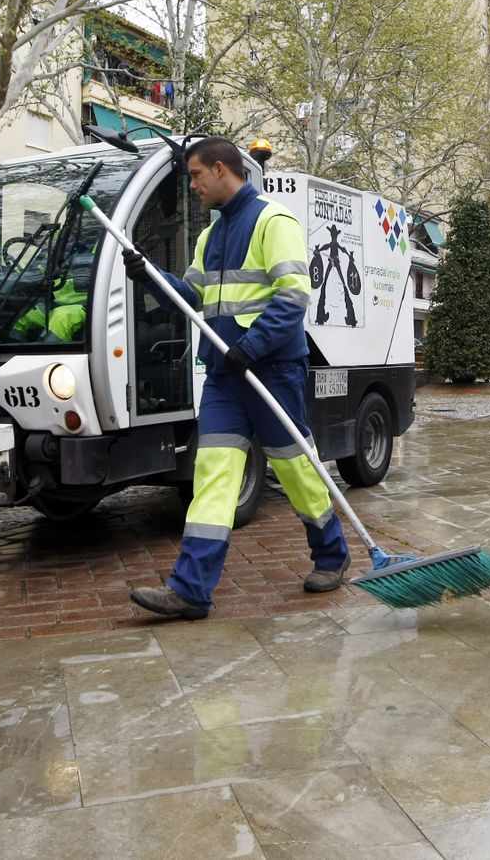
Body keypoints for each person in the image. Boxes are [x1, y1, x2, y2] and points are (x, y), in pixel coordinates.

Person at [123, 136, 349, 620]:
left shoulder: (274, 221)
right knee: (213, 479)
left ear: (221, 169)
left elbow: (292, 298)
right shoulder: (211, 236)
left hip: (271, 372)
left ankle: (332, 556)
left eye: (196, 175)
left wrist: (252, 346)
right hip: (226, 378)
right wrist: (149, 277)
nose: (194, 186)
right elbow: (193, 299)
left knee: (296, 471)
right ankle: (190, 590)